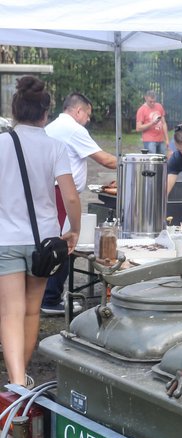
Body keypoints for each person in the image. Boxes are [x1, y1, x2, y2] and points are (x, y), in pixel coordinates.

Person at [0, 75, 81, 387]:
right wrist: (72, 230)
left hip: (5, 239)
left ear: (15, 110)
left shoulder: (3, 142)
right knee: (32, 311)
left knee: (10, 312)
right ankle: (24, 375)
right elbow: (71, 196)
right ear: (46, 114)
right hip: (44, 241)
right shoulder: (55, 146)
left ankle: (17, 380)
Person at [41, 92, 118, 316]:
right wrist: (130, 161)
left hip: (50, 190)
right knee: (64, 243)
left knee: (51, 241)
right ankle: (50, 298)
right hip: (60, 193)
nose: (88, 119)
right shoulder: (73, 128)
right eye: (88, 114)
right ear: (78, 111)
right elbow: (105, 159)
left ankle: (47, 294)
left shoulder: (55, 125)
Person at [135, 89, 170, 155]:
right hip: (149, 141)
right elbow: (138, 128)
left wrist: (167, 139)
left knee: (163, 161)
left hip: (161, 140)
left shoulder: (159, 106)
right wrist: (152, 123)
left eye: (154, 101)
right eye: (150, 101)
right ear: (145, 98)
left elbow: (164, 123)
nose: (152, 103)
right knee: (151, 161)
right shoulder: (141, 110)